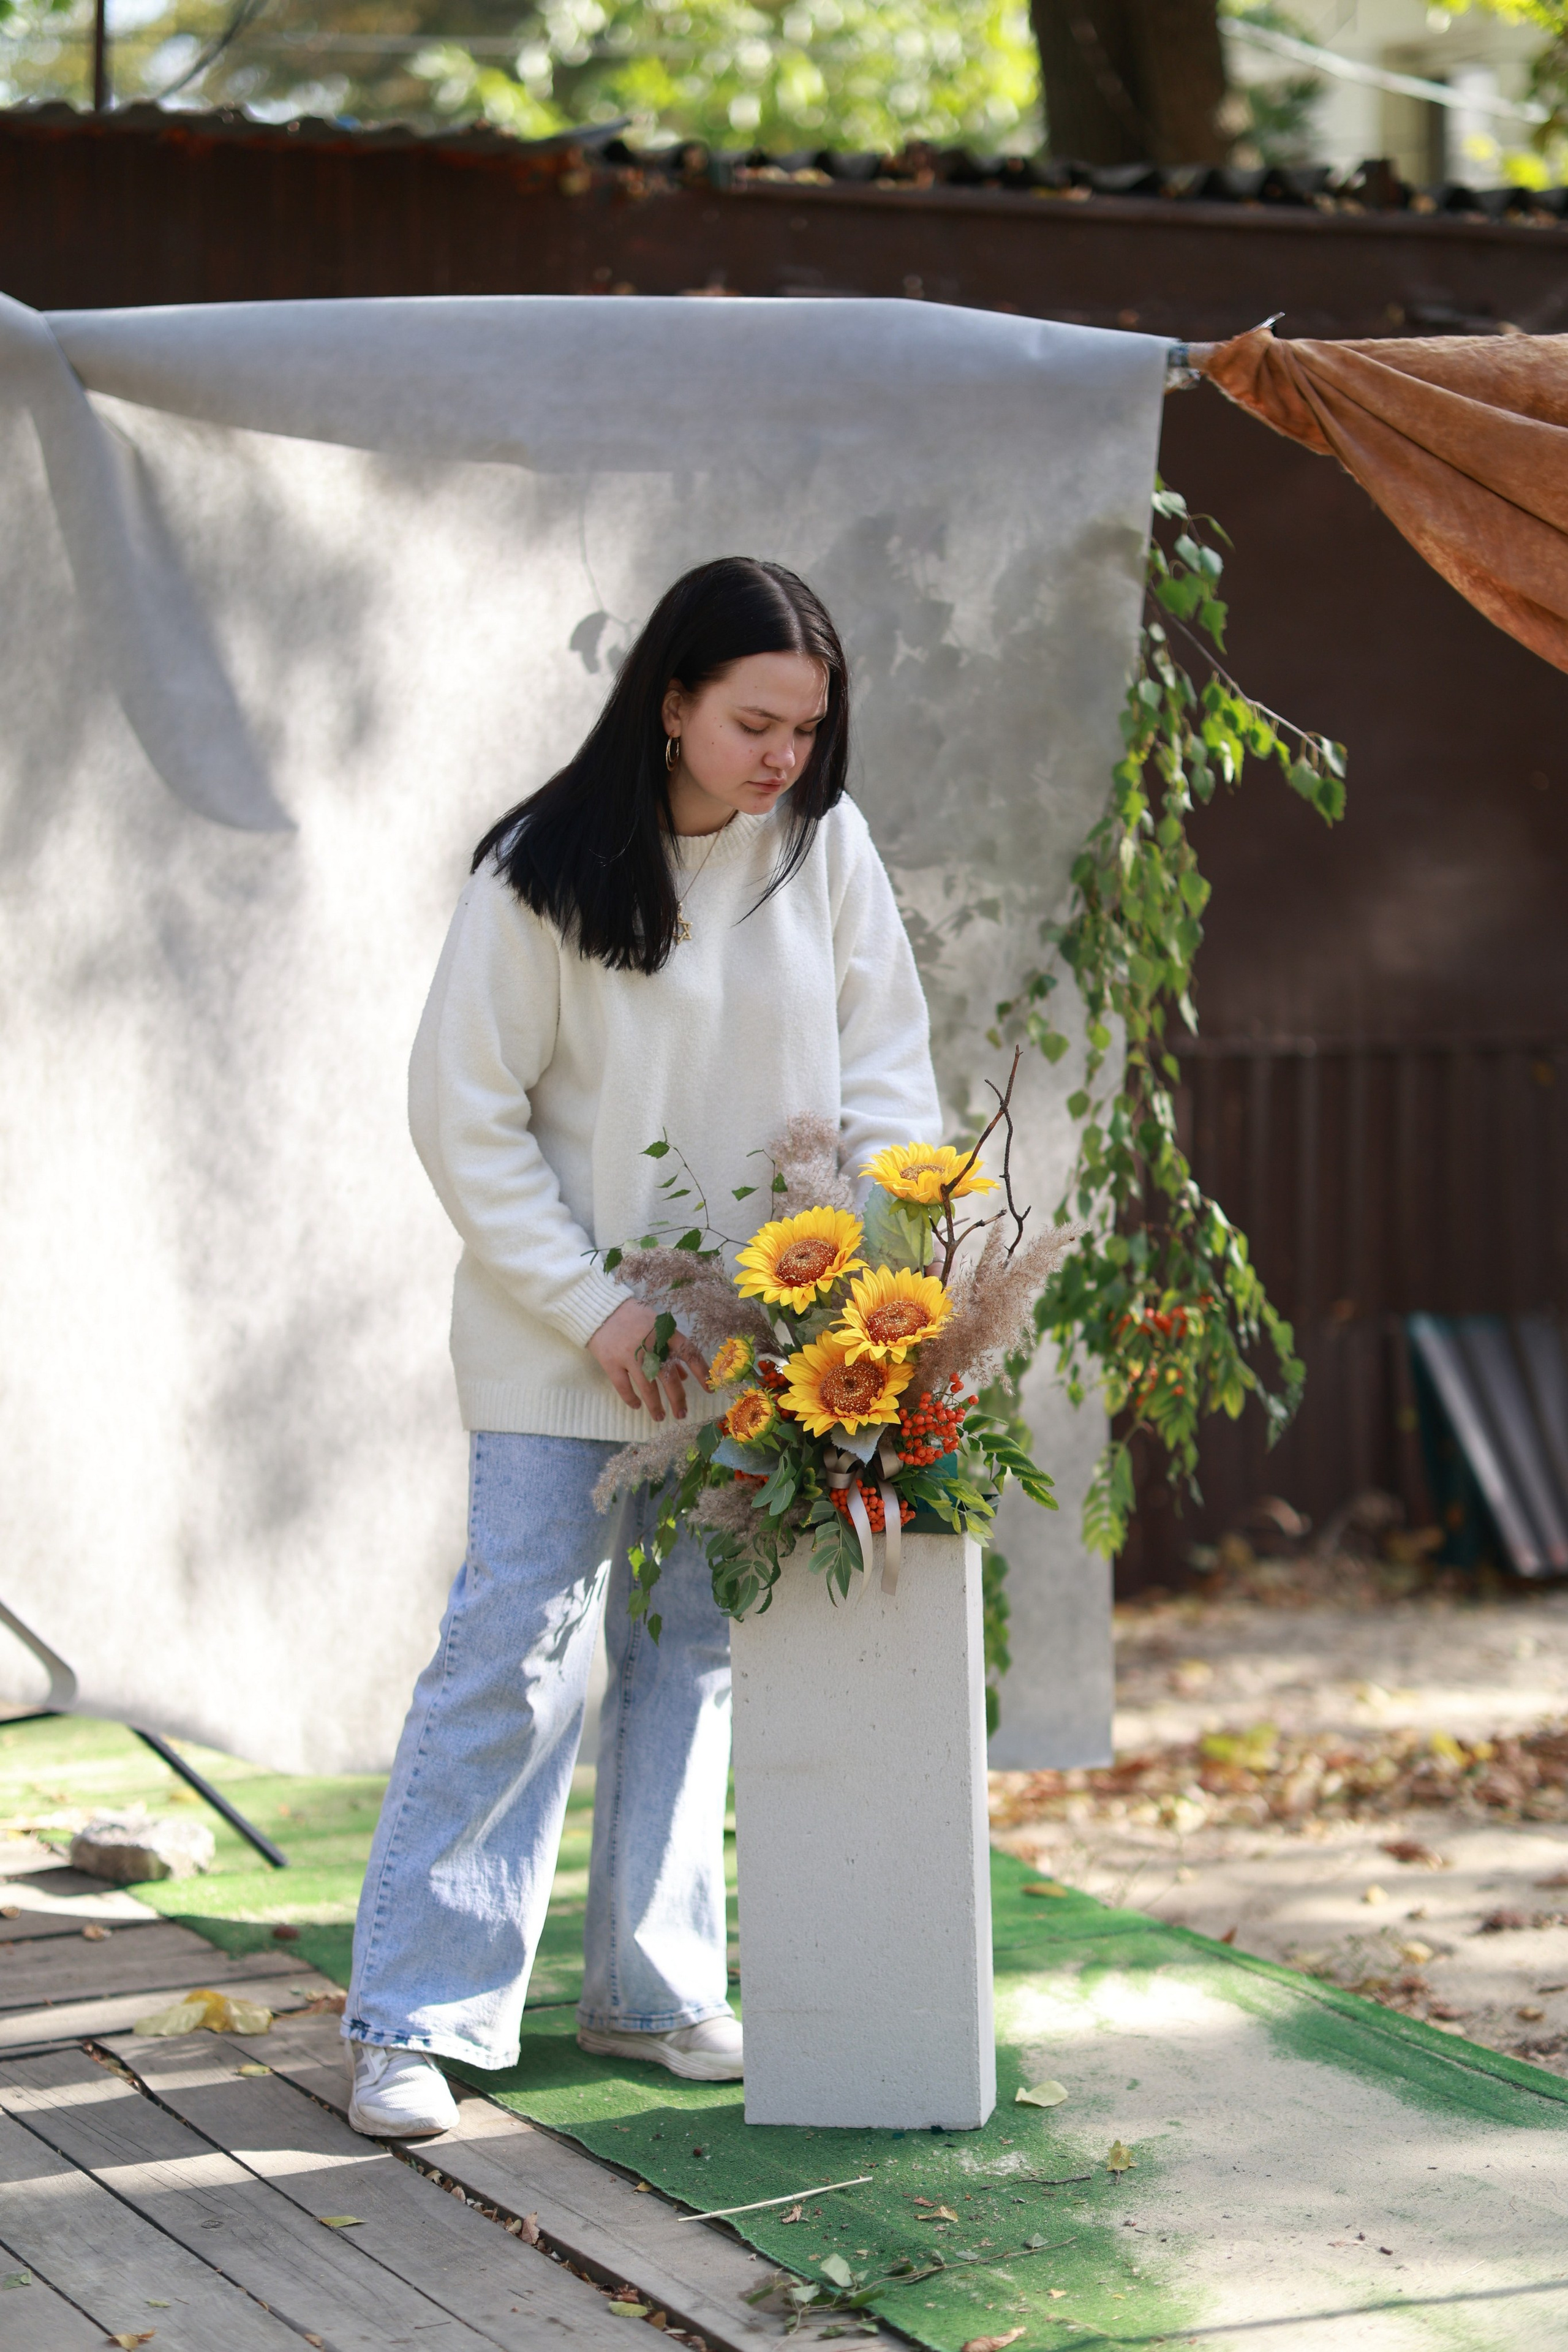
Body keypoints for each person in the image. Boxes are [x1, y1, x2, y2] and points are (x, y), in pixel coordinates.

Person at [342, 556, 942, 2138]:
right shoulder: (541, 868)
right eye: (756, 722)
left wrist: (857, 1296)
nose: (783, 758)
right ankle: (417, 2017)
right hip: (566, 1344)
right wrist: (595, 1309)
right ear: (671, 702)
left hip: (761, 1345)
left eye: (808, 729)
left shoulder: (826, 845)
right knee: (518, 1658)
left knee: (695, 1653)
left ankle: (654, 1990)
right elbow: (460, 1117)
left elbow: (891, 1076)